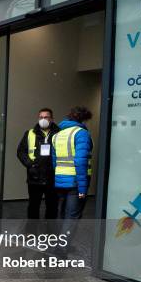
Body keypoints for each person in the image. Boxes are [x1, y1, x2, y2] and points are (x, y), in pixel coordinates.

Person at [52, 106, 94, 254]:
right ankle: (61, 250)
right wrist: (83, 189)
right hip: (75, 182)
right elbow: (81, 162)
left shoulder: (57, 134)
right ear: (83, 119)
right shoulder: (81, 133)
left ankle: (59, 244)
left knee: (62, 214)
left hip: (60, 180)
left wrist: (57, 178)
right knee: (72, 216)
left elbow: (54, 161)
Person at [17, 108, 60, 220]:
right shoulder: (30, 133)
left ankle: (50, 234)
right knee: (33, 206)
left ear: (52, 119)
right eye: (41, 117)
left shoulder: (59, 133)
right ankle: (32, 233)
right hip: (35, 176)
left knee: (52, 206)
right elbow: (21, 152)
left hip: (53, 177)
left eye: (46, 117)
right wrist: (30, 165)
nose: (43, 119)